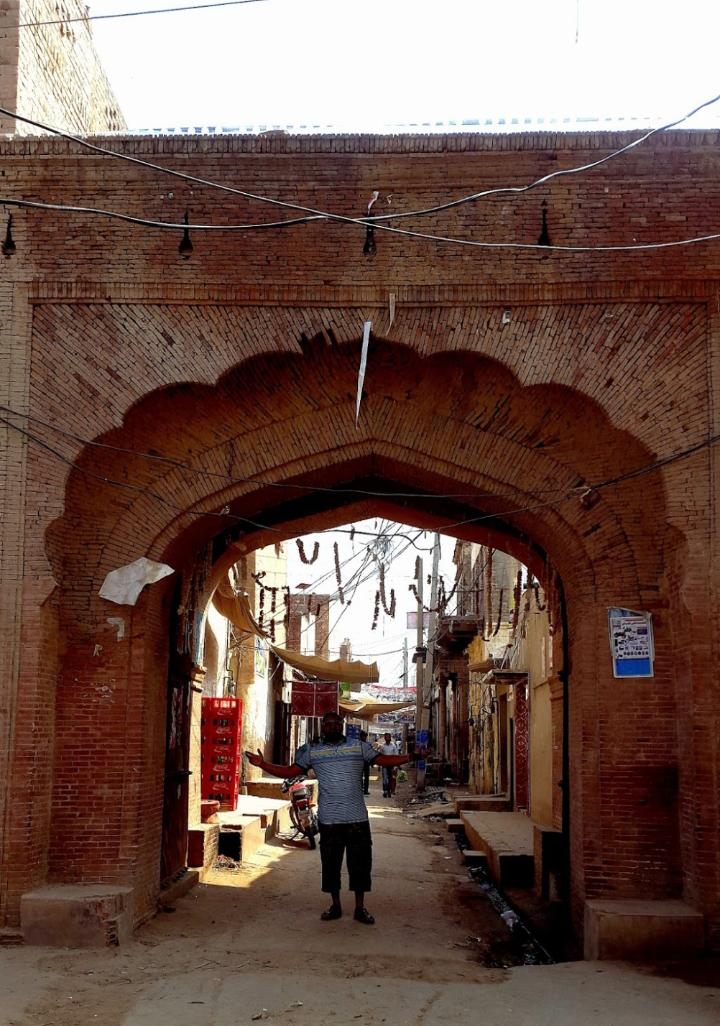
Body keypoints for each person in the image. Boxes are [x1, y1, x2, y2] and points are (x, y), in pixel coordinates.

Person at [245, 711, 412, 925]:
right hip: (329, 819)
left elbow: (384, 760)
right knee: (331, 865)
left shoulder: (358, 746)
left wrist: (410, 757)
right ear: (323, 727)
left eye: (336, 723)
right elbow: (290, 772)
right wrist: (262, 764)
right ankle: (335, 906)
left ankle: (360, 908)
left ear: (341, 725)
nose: (332, 726)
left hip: (357, 818)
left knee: (360, 865)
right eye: (328, 724)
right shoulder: (312, 752)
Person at [377, 732, 398, 797]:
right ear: (385, 738)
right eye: (386, 737)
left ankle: (389, 791)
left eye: (389, 737)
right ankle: (385, 791)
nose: (387, 738)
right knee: (385, 779)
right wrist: (379, 765)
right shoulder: (382, 746)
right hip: (384, 765)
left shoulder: (393, 746)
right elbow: (380, 756)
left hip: (391, 765)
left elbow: (396, 756)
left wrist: (395, 766)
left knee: (391, 778)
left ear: (390, 738)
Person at [359, 730, 370, 794]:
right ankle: (361, 789)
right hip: (360, 763)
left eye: (365, 736)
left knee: (366, 777)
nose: (364, 738)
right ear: (360, 737)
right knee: (359, 777)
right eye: (363, 736)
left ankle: (366, 790)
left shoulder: (368, 744)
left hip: (366, 762)